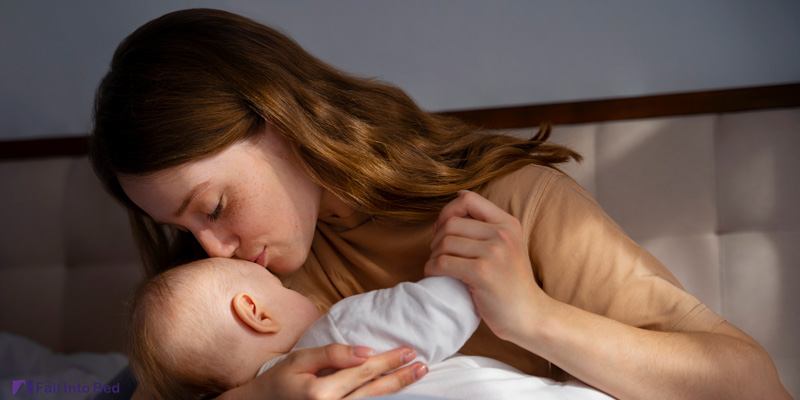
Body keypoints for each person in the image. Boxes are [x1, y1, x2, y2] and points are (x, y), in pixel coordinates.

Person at [90, 8, 791, 400]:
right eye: (178, 225)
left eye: (212, 205)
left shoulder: (502, 207)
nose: (210, 248)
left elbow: (754, 389)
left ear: (280, 119)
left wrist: (534, 317)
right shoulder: (229, 295)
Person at [128, 257, 613, 400]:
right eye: (282, 286)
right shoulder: (334, 337)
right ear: (256, 313)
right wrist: (462, 263)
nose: (303, 294)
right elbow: (442, 308)